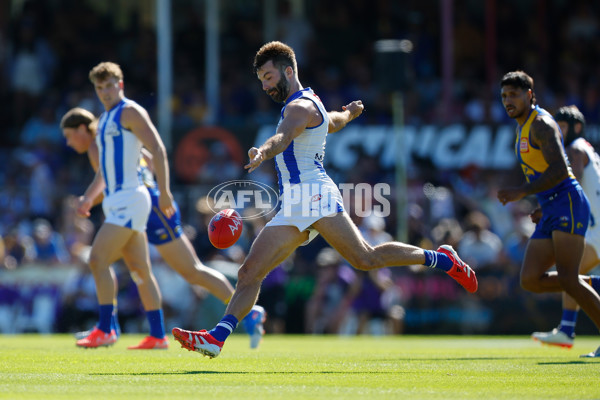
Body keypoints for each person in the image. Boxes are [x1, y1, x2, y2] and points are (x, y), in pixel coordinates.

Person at [172, 41, 478, 359]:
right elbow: (332, 122)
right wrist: (349, 112)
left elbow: (283, 137)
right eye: (261, 79)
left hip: (314, 194)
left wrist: (262, 150)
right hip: (294, 201)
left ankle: (442, 258)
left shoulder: (297, 108)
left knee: (365, 259)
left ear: (288, 71)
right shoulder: (309, 102)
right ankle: (217, 339)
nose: (264, 85)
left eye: (268, 76)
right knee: (250, 273)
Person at [61, 107, 267, 349]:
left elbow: (109, 185)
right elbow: (147, 159)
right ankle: (153, 334)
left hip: (150, 211)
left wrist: (84, 201)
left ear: (82, 130)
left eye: (69, 135)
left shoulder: (98, 146)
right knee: (140, 271)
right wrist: (149, 184)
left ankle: (248, 310)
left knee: (189, 271)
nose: (68, 142)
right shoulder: (117, 139)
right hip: (145, 207)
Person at [72, 62, 175, 349]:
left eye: (109, 85)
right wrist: (89, 198)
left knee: (97, 259)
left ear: (121, 84)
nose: (105, 91)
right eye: (99, 87)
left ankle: (106, 328)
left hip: (130, 198)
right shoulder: (105, 119)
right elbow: (105, 171)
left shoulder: (129, 111)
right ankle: (158, 335)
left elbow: (157, 149)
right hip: (120, 199)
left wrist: (164, 192)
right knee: (140, 271)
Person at [497, 71, 600, 358]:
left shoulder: (540, 124)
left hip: (567, 202)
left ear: (530, 95)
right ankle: (592, 283)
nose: (508, 100)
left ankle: (578, 305)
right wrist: (542, 204)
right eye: (504, 96)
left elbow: (560, 170)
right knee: (530, 279)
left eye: (514, 94)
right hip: (554, 205)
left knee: (568, 279)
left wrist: (522, 191)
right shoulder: (521, 127)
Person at [530, 105, 600, 349]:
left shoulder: (575, 148)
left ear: (577, 128)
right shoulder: (589, 150)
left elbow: (573, 182)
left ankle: (567, 329)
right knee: (572, 276)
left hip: (596, 231)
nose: (557, 131)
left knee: (570, 276)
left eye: (562, 126)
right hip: (595, 228)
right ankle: (567, 329)